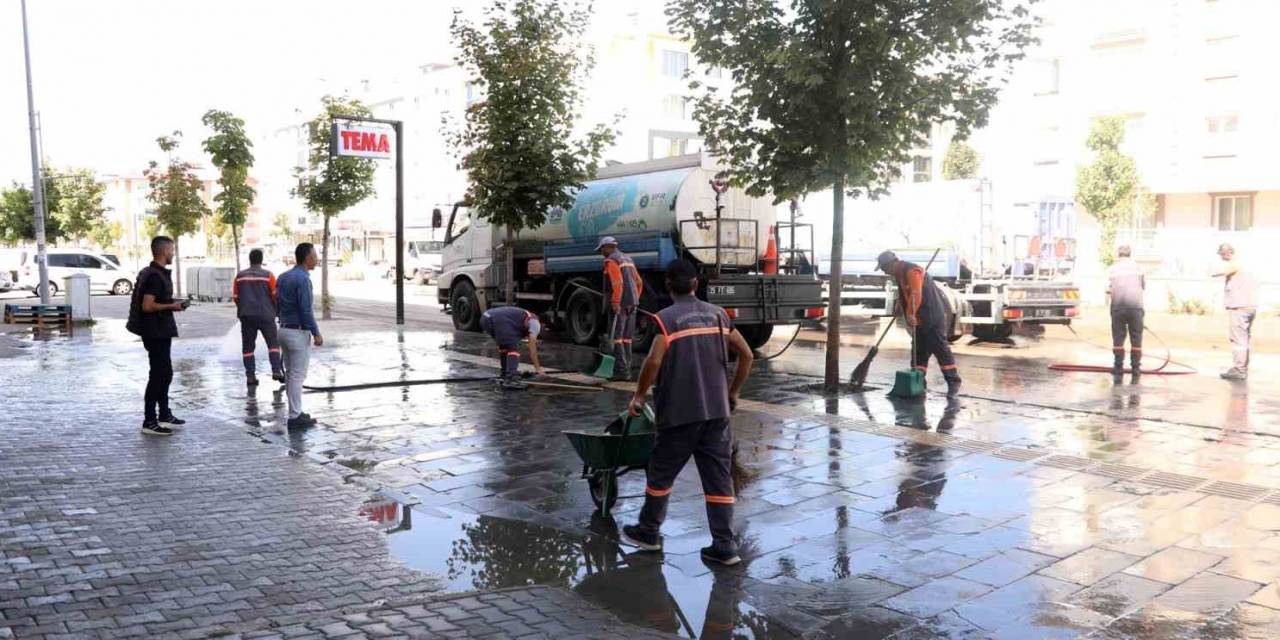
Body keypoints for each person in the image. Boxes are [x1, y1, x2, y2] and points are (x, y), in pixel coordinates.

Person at [621, 259, 754, 566]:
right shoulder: (719, 315)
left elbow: (653, 362)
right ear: (696, 284)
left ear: (668, 285)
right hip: (717, 414)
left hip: (680, 415)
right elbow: (746, 355)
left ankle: (648, 532)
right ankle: (725, 546)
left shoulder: (666, 319)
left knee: (661, 473)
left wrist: (639, 396)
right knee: (719, 480)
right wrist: (733, 392)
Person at [876, 250, 962, 397]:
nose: (884, 272)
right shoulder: (899, 273)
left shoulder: (912, 271)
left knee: (939, 348)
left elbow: (916, 293)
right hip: (920, 317)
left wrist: (910, 313)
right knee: (918, 351)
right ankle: (918, 384)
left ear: (892, 263)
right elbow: (905, 292)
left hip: (931, 315)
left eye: (884, 268)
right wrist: (899, 306)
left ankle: (953, 382)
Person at [135, 236, 187, 436]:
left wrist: (174, 302)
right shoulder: (155, 276)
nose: (173, 253)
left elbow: (157, 300)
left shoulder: (157, 274)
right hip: (155, 332)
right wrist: (171, 306)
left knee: (165, 373)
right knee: (158, 375)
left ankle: (164, 413)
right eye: (172, 250)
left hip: (160, 330)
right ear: (164, 251)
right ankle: (150, 420)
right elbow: (147, 305)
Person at [277, 242, 323, 428]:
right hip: (297, 333)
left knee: (290, 375)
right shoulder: (303, 279)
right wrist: (316, 333)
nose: (316, 258)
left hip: (283, 329)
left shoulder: (283, 277)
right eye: (314, 255)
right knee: (297, 376)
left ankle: (295, 411)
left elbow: (276, 303)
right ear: (307, 258)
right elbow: (306, 310)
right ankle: (295, 416)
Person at [233, 248, 284, 388]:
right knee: (273, 344)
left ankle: (250, 375)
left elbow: (235, 297)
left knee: (248, 347)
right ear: (261, 260)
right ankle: (276, 371)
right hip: (266, 315)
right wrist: (276, 310)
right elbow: (275, 295)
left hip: (247, 316)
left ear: (250, 260)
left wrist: (243, 308)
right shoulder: (268, 276)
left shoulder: (240, 276)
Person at [597, 236, 644, 380]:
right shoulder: (628, 259)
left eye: (601, 249)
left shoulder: (611, 260)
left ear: (607, 247)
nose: (600, 252)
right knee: (627, 338)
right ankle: (627, 369)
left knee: (617, 338)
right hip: (632, 303)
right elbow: (638, 282)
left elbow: (617, 283)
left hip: (620, 304)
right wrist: (635, 299)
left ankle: (621, 372)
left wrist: (616, 302)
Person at [1211, 243, 1258, 381]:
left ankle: (1239, 370)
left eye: (1222, 256)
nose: (1221, 259)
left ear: (1226, 253)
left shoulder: (1235, 264)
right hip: (1249, 307)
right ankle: (1241, 367)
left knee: (1238, 341)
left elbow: (1215, 272)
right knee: (1244, 340)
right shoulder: (1247, 266)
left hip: (1239, 308)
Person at [479, 306, 544, 388]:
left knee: (505, 346)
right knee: (512, 348)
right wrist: (537, 368)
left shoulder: (519, 319)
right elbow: (532, 346)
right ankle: (511, 379)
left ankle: (505, 374)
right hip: (498, 319)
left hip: (485, 318)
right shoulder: (535, 323)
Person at [1107, 245, 1145, 376]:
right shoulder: (1139, 268)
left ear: (1119, 254)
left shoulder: (1113, 269)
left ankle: (1118, 368)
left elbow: (1108, 289)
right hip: (1136, 307)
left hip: (1118, 307)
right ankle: (1136, 369)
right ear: (1130, 254)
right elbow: (1143, 286)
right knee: (1136, 337)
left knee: (1118, 337)